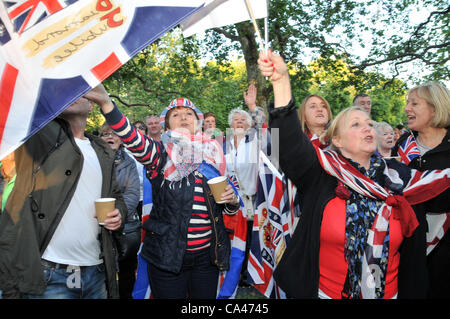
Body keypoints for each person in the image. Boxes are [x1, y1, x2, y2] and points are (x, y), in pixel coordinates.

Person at [258, 50, 450, 299]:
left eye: (369, 123)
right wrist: (281, 81)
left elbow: (439, 186)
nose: (367, 127)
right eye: (356, 124)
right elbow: (289, 142)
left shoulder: (400, 177)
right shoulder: (322, 173)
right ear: (336, 139)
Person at [88, 85, 241, 299]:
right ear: (166, 124)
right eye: (176, 114)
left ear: (197, 121)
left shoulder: (213, 153)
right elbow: (132, 137)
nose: (183, 117)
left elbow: (227, 206)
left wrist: (232, 201)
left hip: (207, 257)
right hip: (166, 257)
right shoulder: (158, 154)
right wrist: (106, 104)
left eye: (189, 113)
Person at [0, 94, 126, 299]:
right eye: (66, 91)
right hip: (48, 274)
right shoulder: (38, 140)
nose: (73, 93)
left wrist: (118, 213)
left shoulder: (102, 151)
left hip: (96, 271)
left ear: (92, 105)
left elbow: (116, 196)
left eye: (82, 91)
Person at [392, 81, 450, 298]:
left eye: (414, 103)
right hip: (408, 248)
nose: (407, 108)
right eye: (407, 103)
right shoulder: (404, 144)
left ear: (435, 108)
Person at [99, 123, 141, 299]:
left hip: (125, 227)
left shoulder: (129, 162)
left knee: (126, 273)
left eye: (115, 134)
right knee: (101, 274)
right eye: (105, 134)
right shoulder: (92, 158)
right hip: (97, 224)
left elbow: (132, 193)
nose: (110, 137)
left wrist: (119, 214)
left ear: (121, 139)